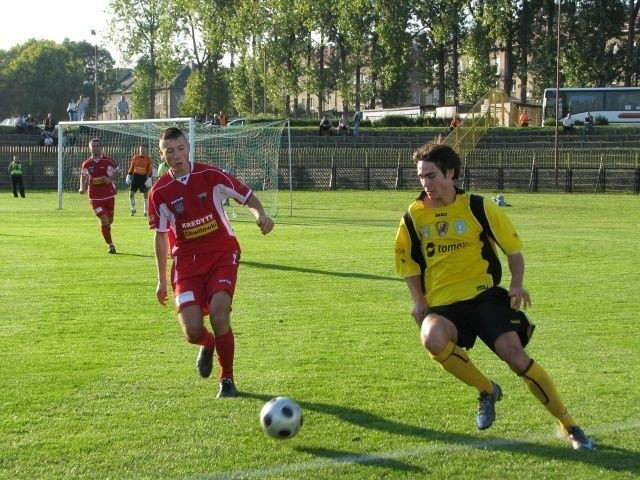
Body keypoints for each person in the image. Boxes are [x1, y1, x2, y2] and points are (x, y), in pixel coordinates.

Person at [394, 143, 594, 451]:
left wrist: (516, 283)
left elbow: (513, 250)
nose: (425, 184)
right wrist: (418, 299)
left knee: (516, 358)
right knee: (431, 338)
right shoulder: (414, 215)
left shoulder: (479, 207)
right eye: (421, 177)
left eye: (431, 176)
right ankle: (487, 390)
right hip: (445, 304)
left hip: (484, 297)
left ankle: (569, 425)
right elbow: (407, 262)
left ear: (451, 173)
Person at [148, 126, 275, 398]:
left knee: (219, 315)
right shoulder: (159, 192)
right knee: (192, 331)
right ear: (162, 155)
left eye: (181, 148)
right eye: (170, 151)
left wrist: (260, 215)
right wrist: (160, 279)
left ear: (189, 149)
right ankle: (206, 344)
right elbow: (160, 237)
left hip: (221, 254)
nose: (177, 155)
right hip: (186, 264)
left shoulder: (210, 175)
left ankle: (227, 380)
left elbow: (247, 195)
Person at [78, 138, 122, 254]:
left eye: (97, 146)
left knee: (110, 220)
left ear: (101, 147)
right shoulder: (86, 164)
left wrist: (110, 178)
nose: (95, 148)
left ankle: (107, 229)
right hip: (95, 197)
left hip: (109, 195)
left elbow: (119, 172)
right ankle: (110, 245)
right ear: (90, 148)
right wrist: (82, 187)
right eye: (93, 146)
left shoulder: (109, 161)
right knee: (103, 219)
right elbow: (83, 176)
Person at [125, 144, 154, 216]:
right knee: (131, 194)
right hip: (135, 177)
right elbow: (131, 167)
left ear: (146, 150)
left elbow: (150, 170)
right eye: (141, 149)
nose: (142, 150)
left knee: (145, 195)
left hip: (143, 178)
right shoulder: (135, 157)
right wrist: (128, 175)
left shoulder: (148, 159)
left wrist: (149, 178)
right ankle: (133, 209)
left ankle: (145, 211)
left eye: (143, 149)